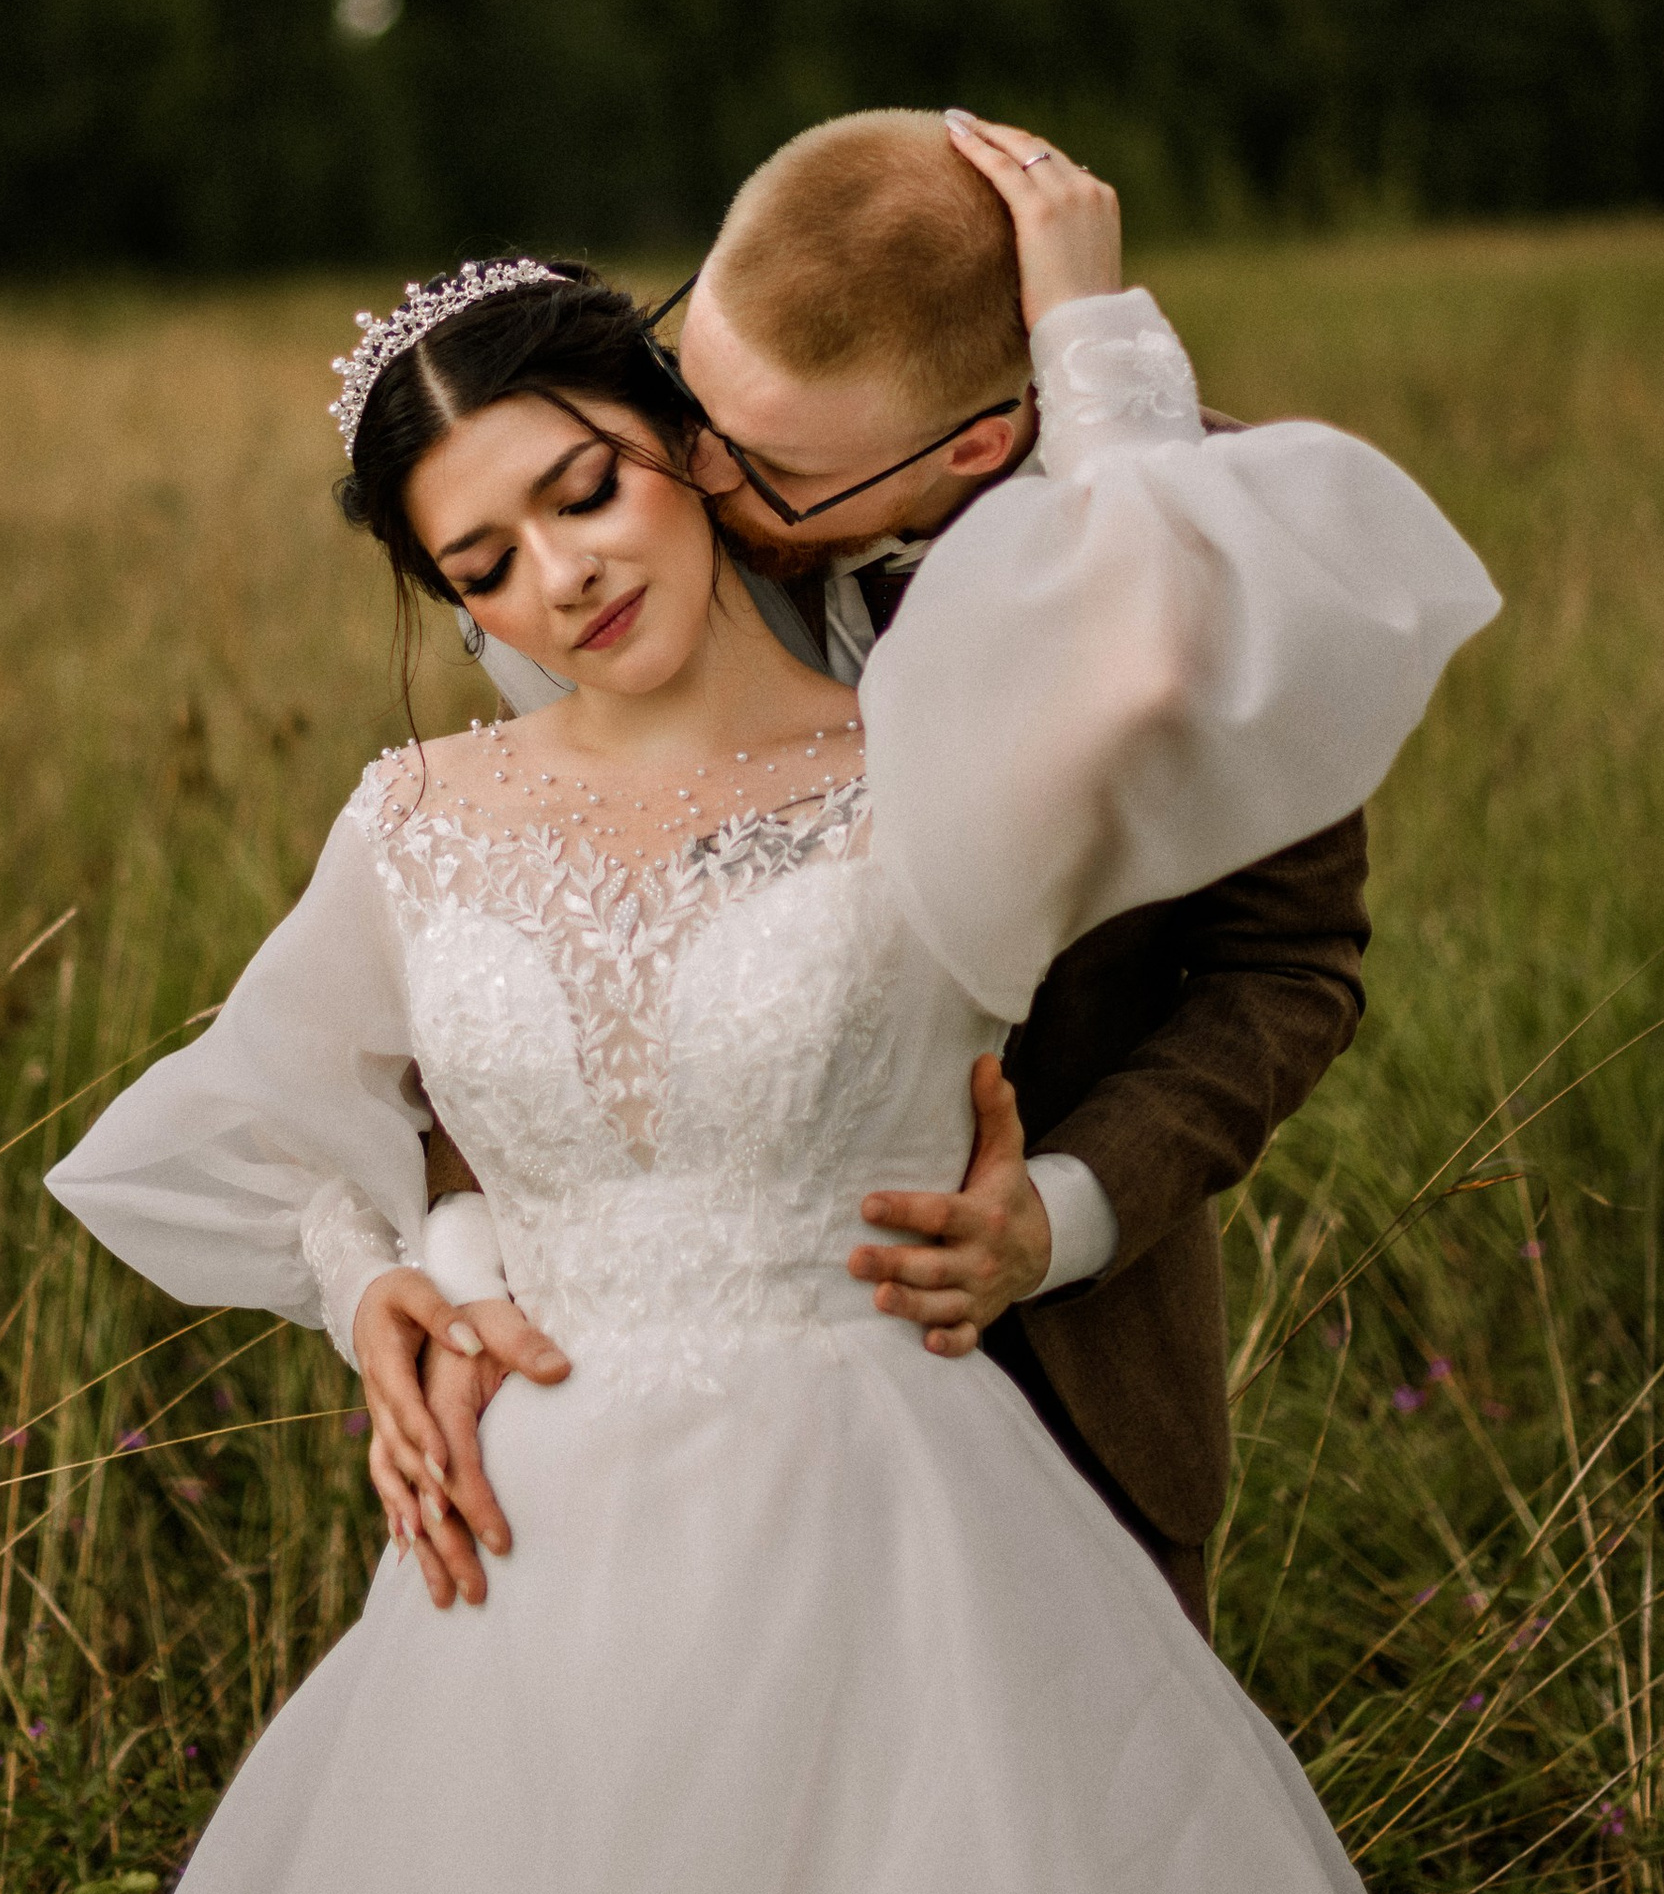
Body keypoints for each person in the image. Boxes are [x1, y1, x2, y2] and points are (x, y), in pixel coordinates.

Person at [0, 244, 1664, 1894]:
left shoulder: (937, 772)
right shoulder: (418, 824)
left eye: (582, 491)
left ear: (687, 448)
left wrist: (1081, 334)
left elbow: (1176, 655)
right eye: (479, 557)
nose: (557, 576)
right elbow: (257, 1118)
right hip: (527, 1565)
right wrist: (383, 1282)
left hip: (886, 1528)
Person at [375, 108, 1363, 1639]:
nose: (689, 477)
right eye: (683, 398)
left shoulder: (1221, 551)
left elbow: (1284, 968)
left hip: (1069, 1383)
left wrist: (1062, 1212)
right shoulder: (627, 511)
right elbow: (508, 964)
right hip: (642, 1436)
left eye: (763, 469)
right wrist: (455, 1258)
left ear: (973, 441)